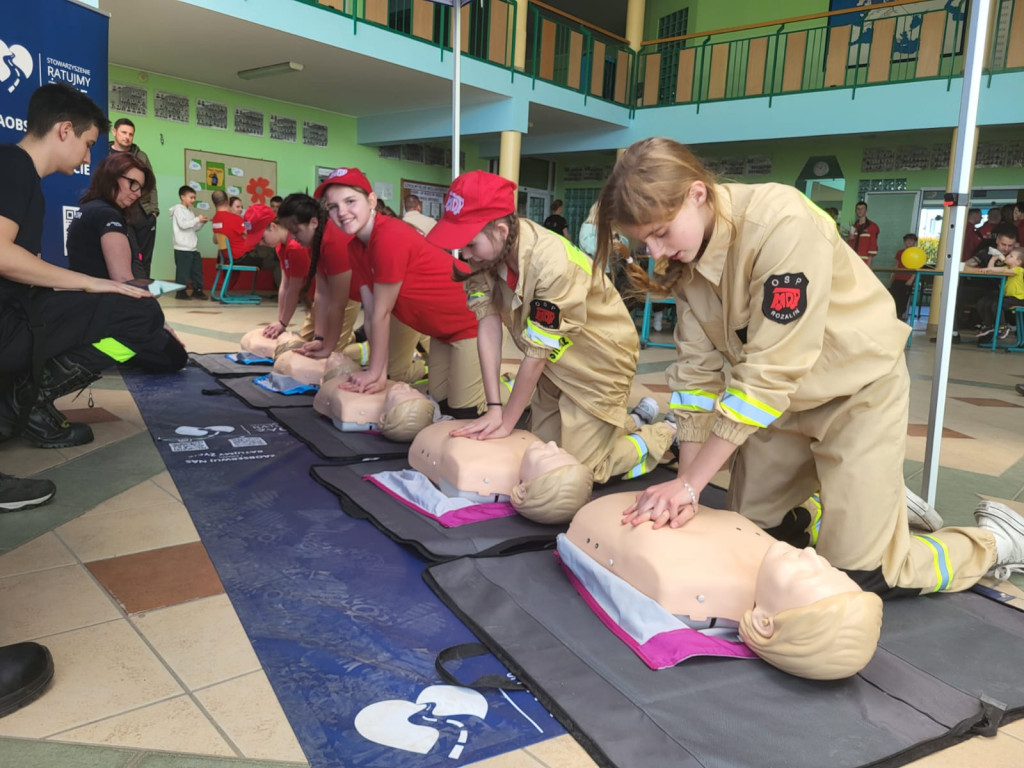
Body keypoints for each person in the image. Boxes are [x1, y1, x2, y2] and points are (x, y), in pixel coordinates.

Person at [596, 137, 1022, 598]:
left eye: (661, 232)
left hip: (855, 396)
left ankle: (995, 542)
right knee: (749, 541)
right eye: (645, 242)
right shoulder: (688, 258)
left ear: (697, 194)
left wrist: (693, 486)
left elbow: (770, 371)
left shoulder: (781, 222)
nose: (656, 252)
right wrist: (686, 487)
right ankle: (846, 504)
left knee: (866, 574)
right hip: (780, 411)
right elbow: (697, 378)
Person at [0, 83, 182, 721]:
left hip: (19, 314)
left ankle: (26, 395)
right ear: (63, 130)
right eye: (87, 142)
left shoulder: (26, 177)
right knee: (139, 320)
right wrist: (99, 287)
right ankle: (34, 393)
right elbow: (2, 253)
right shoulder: (16, 167)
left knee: (139, 319)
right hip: (10, 321)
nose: (85, 154)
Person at [426, 170, 673, 484]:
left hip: (599, 362)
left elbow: (537, 352)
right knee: (541, 451)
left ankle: (662, 434)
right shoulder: (483, 258)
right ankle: (624, 421)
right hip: (555, 362)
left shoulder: (552, 263)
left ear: (501, 230)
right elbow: (487, 324)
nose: (465, 254)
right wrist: (494, 407)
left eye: (470, 244)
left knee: (576, 471)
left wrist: (507, 422)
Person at [563, 492, 881, 680]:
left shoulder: (680, 579)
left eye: (806, 574)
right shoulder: (769, 560)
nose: (811, 554)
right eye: (825, 565)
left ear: (763, 621)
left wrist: (689, 481)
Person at [315, 167, 484, 418]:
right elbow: (371, 312)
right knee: (440, 404)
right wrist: (376, 370)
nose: (342, 212)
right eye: (332, 207)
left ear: (371, 201)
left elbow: (382, 313)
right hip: (440, 332)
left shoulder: (388, 236)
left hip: (474, 321)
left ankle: (513, 389)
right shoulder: (356, 246)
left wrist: (376, 374)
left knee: (464, 412)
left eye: (350, 201)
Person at [66, 151, 154, 283]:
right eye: (133, 184)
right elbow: (123, 279)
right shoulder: (108, 215)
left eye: (140, 188)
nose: (138, 194)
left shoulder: (89, 208)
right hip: (103, 299)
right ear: (112, 177)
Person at [108, 118, 158, 279]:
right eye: (124, 132)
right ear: (114, 132)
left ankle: (143, 292)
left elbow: (152, 184)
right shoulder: (103, 152)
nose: (127, 137)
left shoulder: (141, 156)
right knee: (128, 254)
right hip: (118, 213)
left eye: (131, 134)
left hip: (143, 213)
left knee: (144, 258)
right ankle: (128, 291)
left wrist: (154, 211)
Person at [974, 246, 1024, 342]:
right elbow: (992, 269)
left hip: (1018, 298)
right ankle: (989, 325)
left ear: (1018, 262)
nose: (1007, 256)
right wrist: (993, 259)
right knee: (992, 303)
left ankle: (1002, 327)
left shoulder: (1019, 270)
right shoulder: (1007, 267)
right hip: (1010, 297)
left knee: (997, 305)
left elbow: (1003, 271)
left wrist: (991, 269)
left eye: (1011, 256)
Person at [169, 185, 209, 300]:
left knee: (197, 270)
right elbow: (183, 225)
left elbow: (193, 228)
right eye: (191, 197)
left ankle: (197, 290)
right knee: (183, 272)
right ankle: (180, 292)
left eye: (194, 197)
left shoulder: (190, 212)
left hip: (192, 248)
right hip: (182, 248)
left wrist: (200, 223)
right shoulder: (178, 210)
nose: (193, 200)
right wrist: (197, 219)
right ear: (182, 197)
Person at [887, 233, 919, 319]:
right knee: (893, 296)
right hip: (897, 278)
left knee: (903, 299)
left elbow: (917, 267)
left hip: (907, 279)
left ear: (914, 242)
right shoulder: (900, 252)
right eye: (907, 240)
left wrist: (912, 279)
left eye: (911, 240)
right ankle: (892, 314)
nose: (909, 242)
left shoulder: (916, 253)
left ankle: (900, 315)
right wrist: (892, 276)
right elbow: (896, 265)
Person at [209, 190, 246, 258]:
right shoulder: (236, 219)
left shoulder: (215, 219)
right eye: (237, 207)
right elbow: (249, 235)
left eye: (241, 207)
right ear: (228, 202)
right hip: (240, 255)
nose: (240, 209)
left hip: (224, 256)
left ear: (214, 203)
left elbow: (215, 240)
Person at [847, 200, 879, 266]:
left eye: (862, 209)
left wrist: (869, 264)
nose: (860, 210)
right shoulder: (853, 227)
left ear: (866, 211)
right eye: (858, 209)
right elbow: (849, 245)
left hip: (864, 261)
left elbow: (873, 246)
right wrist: (849, 239)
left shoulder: (872, 227)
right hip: (852, 260)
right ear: (855, 211)